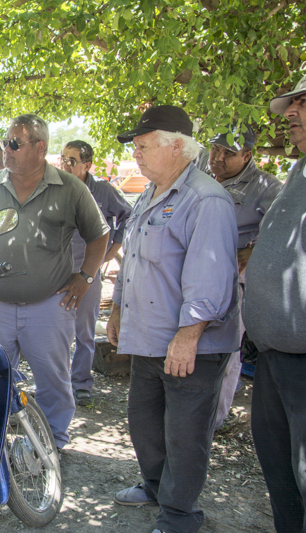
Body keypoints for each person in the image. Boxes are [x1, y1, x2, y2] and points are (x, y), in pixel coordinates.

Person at [106, 105, 240, 533]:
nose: (136, 154)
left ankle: (180, 515)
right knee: (144, 423)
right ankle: (154, 486)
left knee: (185, 435)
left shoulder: (206, 199)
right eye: (136, 147)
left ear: (177, 147)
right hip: (149, 337)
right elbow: (133, 261)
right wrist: (117, 309)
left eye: (144, 146)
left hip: (190, 346)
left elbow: (210, 277)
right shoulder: (150, 192)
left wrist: (188, 335)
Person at [0, 114, 110, 450]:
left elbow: (99, 235)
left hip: (49, 307)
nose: (6, 150)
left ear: (40, 147)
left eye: (14, 143)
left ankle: (53, 443)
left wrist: (85, 277)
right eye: (5, 142)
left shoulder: (71, 188)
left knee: (53, 380)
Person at [243, 72, 306, 533]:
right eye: (292, 104)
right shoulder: (298, 172)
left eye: (303, 103)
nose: (292, 113)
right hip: (273, 356)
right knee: (282, 474)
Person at [202, 123, 283, 428]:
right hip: (195, 277)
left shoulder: (267, 188)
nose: (218, 158)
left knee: (226, 353)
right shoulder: (199, 177)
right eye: (215, 149)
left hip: (233, 282)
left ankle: (213, 421)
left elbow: (285, 231)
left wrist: (256, 251)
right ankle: (190, 417)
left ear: (247, 155)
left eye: (228, 153)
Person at [60, 140, 132, 405]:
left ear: (87, 165)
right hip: (57, 273)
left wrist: (111, 252)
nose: (65, 165)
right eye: (62, 158)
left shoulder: (102, 191)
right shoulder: (54, 188)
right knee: (55, 330)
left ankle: (81, 384)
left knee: (84, 331)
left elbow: (128, 216)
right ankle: (58, 383)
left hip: (87, 273)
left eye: (71, 161)